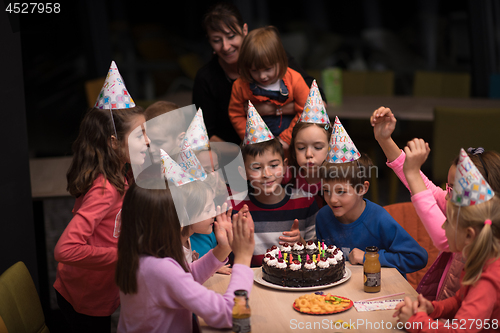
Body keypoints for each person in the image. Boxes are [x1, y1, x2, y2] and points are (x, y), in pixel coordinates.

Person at [54, 62, 149, 333]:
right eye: (140, 135)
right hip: (84, 296)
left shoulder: (123, 174)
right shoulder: (104, 189)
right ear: (113, 142)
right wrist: (122, 255)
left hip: (104, 290)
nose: (148, 141)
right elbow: (65, 250)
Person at [371, 106, 500, 299]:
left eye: (455, 190)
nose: (447, 196)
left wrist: (413, 172)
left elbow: (443, 239)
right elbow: (428, 188)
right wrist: (384, 139)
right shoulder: (455, 206)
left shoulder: (482, 236)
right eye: (448, 188)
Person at [115, 178, 255, 332]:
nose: (215, 212)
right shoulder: (159, 269)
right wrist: (243, 259)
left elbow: (186, 275)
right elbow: (230, 314)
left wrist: (224, 247)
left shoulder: (144, 256)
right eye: (208, 208)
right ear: (181, 219)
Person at [394, 150, 500, 331]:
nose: (443, 228)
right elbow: (461, 300)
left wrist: (415, 321)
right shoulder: (478, 260)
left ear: (469, 235)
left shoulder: (488, 280)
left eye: (448, 222)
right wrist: (434, 308)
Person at [193, 1, 324, 145]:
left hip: (287, 142)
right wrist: (251, 146)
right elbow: (203, 134)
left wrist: (270, 110)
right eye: (217, 40)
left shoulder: (272, 57)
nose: (225, 46)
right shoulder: (207, 78)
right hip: (239, 152)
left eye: (231, 36)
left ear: (244, 30)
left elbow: (316, 102)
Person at [315, 117, 427, 276]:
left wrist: (370, 257)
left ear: (362, 188)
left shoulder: (379, 219)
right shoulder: (323, 218)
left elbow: (417, 257)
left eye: (341, 192)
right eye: (326, 190)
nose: (332, 199)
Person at [230, 105, 318, 266]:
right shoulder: (234, 206)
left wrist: (301, 243)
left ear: (285, 166)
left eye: (273, 165)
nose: (267, 174)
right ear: (243, 172)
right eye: (256, 167)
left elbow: (317, 256)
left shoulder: (306, 201)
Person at [228, 26, 310, 149]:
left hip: (291, 141)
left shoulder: (295, 79)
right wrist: (253, 138)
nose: (262, 76)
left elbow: (306, 110)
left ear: (280, 61)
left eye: (268, 69)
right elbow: (236, 114)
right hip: (258, 145)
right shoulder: (240, 85)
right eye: (254, 70)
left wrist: (286, 139)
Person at [285, 80, 332, 208]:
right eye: (301, 148)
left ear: (330, 147)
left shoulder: (338, 179)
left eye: (317, 147)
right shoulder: (287, 176)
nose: (308, 154)